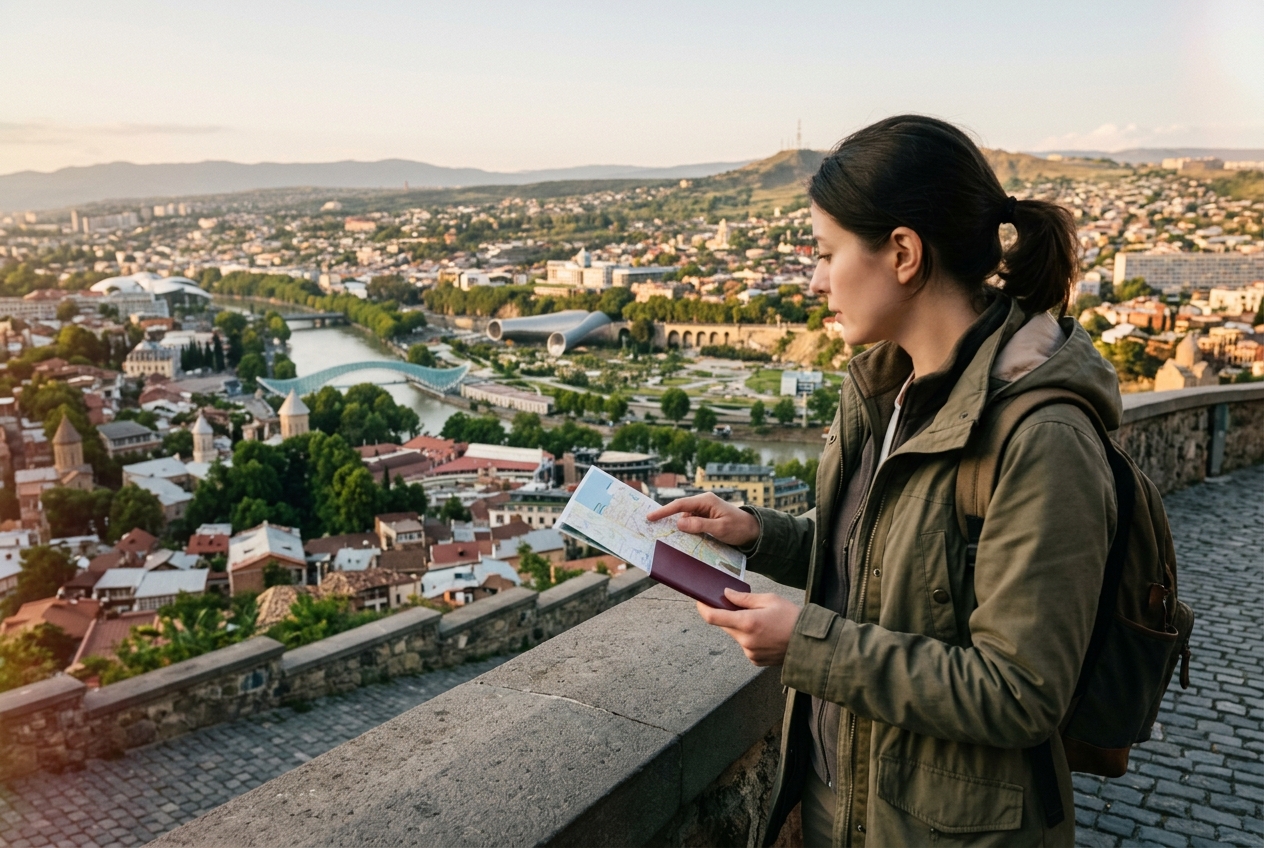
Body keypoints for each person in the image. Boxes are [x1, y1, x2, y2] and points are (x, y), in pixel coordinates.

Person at [647, 115, 1119, 847]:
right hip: (846, 808)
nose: (814, 280)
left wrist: (806, 645)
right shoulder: (887, 388)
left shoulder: (1041, 438)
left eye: (826, 253)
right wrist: (760, 534)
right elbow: (889, 562)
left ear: (902, 253)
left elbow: (1022, 692)